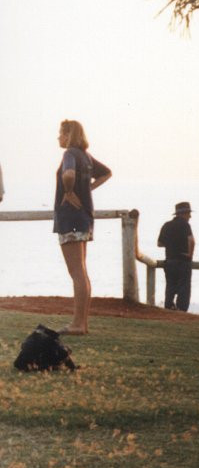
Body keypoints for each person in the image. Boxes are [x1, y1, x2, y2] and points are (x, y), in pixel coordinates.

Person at [53, 119, 112, 335]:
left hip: (70, 218)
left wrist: (69, 192)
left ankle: (77, 324)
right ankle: (82, 323)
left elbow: (68, 174)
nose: (58, 137)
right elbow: (106, 173)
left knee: (76, 272)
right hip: (85, 217)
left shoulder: (70, 154)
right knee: (82, 272)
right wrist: (87, 189)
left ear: (69, 135)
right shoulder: (86, 157)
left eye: (61, 133)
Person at [157, 201, 196, 311]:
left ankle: (169, 308)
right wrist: (189, 256)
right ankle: (181, 311)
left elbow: (159, 244)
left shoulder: (167, 225)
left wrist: (171, 244)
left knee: (170, 286)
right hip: (183, 260)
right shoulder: (185, 224)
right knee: (184, 288)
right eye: (188, 213)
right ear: (184, 214)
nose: (190, 216)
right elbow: (192, 241)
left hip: (169, 260)